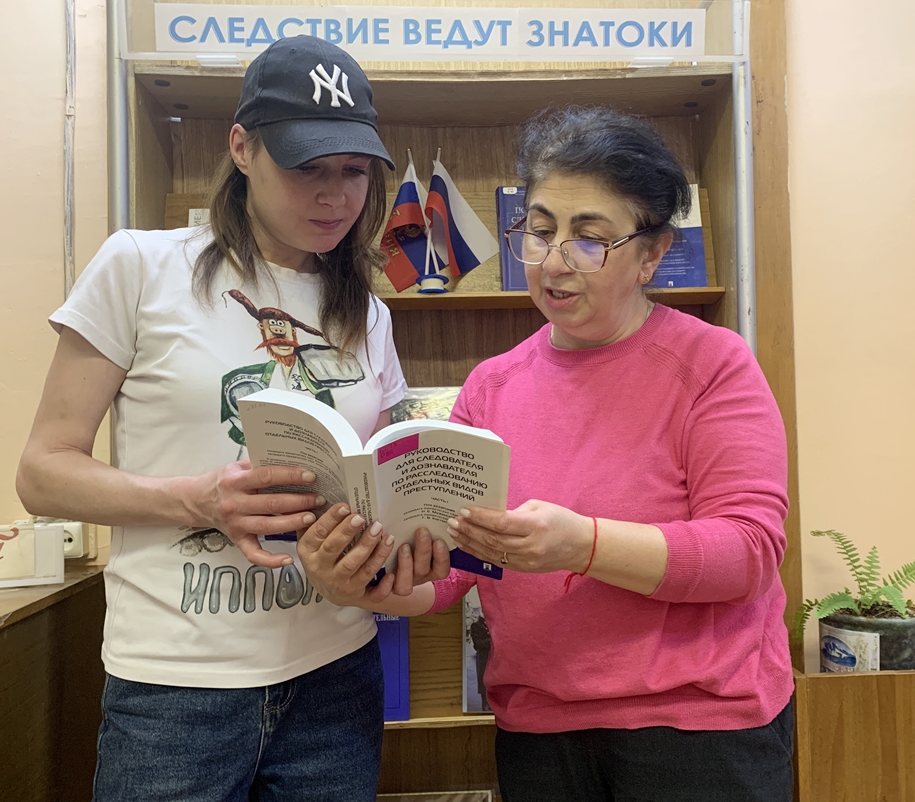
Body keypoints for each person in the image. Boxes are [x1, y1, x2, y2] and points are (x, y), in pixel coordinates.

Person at [298, 106, 795, 802]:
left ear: (652, 253)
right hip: (539, 731)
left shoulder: (712, 364)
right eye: (539, 230)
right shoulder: (491, 386)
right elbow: (452, 573)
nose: (554, 261)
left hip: (697, 729)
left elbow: (747, 553)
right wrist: (362, 582)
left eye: (589, 238)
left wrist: (580, 545)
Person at [16, 35, 406, 802]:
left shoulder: (369, 313)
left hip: (338, 674)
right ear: (242, 148)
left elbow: (376, 485)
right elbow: (42, 473)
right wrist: (195, 499)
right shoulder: (140, 266)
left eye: (354, 171)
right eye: (307, 168)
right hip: (177, 687)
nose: (335, 196)